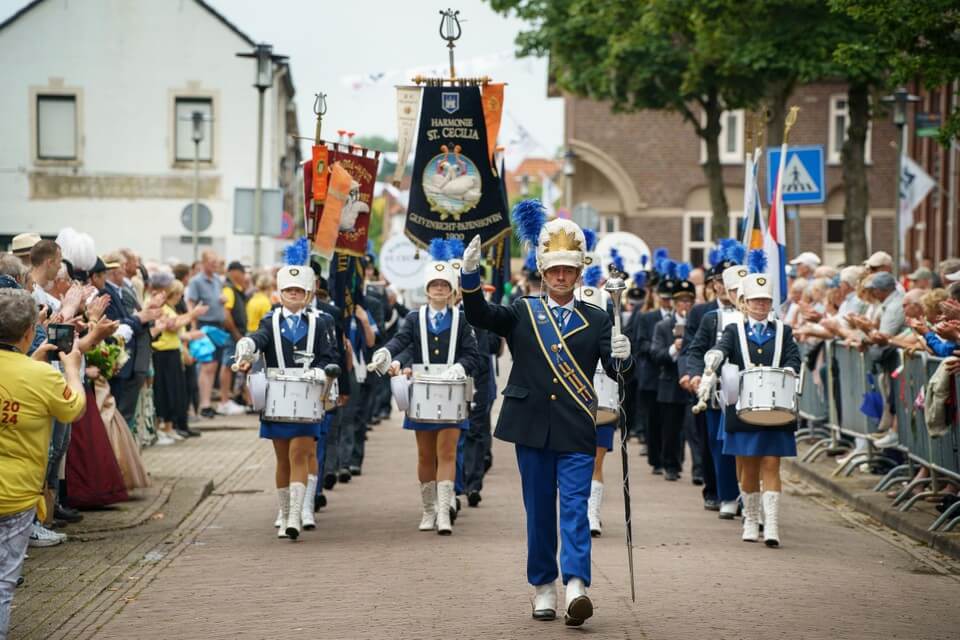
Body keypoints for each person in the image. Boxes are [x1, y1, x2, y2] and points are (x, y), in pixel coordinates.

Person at [456, 211, 632, 626]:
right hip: (531, 425)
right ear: (543, 271)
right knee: (538, 511)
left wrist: (625, 354)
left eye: (569, 269)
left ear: (578, 272)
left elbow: (618, 372)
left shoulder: (598, 317)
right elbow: (481, 315)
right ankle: (543, 587)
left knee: (574, 507)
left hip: (575, 425)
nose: (561, 276)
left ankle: (576, 586)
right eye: (555, 269)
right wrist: (469, 276)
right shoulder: (522, 311)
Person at [369, 245, 481, 535]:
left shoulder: (462, 318)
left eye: (445, 284)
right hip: (423, 390)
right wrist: (386, 355)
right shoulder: (414, 318)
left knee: (447, 452)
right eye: (435, 285)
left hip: (452, 391)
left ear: (452, 288)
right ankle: (429, 509)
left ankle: (444, 512)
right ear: (427, 288)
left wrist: (461, 367)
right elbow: (402, 342)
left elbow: (473, 355)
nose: (440, 289)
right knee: (424, 455)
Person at [0, 289, 86, 637]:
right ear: (27, 332)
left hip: (17, 492)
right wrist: (72, 370)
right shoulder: (42, 377)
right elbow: (73, 407)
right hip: (17, 495)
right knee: (4, 580)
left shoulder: (33, 371)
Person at [234, 264, 338, 541]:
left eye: (299, 290)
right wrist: (247, 347)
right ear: (280, 293)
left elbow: (330, 355)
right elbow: (260, 339)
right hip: (277, 398)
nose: (293, 294)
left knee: (300, 454)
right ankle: (284, 510)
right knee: (282, 458)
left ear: (308, 293)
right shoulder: (270, 320)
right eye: (288, 290)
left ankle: (295, 516)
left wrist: (321, 369)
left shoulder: (322, 321)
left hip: (307, 397)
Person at [702, 273, 801, 547]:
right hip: (743, 406)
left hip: (775, 406)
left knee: (771, 464)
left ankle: (771, 525)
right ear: (744, 302)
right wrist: (714, 357)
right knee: (747, 466)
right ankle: (750, 518)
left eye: (765, 300)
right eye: (755, 300)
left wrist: (790, 370)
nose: (760, 305)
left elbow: (794, 356)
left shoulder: (783, 330)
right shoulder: (734, 330)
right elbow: (722, 349)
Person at [686, 264, 748, 519]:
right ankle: (727, 495)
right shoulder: (711, 317)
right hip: (717, 390)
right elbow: (696, 349)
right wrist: (697, 373)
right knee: (718, 443)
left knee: (748, 445)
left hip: (748, 389)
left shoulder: (762, 318)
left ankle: (748, 495)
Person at [651, 266, 696, 482]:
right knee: (670, 429)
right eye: (681, 301)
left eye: (689, 301)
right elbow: (656, 354)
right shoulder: (663, 325)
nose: (685, 304)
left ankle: (698, 470)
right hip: (670, 382)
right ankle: (670, 465)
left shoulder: (697, 323)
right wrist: (674, 348)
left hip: (693, 383)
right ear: (675, 303)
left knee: (694, 431)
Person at [185, 250, 227, 418]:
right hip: (204, 325)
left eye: (216, 261)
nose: (215, 264)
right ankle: (204, 404)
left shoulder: (217, 279)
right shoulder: (196, 282)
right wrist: (194, 326)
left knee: (214, 365)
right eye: (211, 261)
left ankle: (207, 402)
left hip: (217, 326)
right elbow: (191, 303)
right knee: (206, 365)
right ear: (203, 263)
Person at [220, 261, 249, 414]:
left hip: (237, 333)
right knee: (227, 366)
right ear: (234, 272)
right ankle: (224, 401)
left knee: (231, 365)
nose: (244, 276)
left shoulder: (237, 290)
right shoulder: (229, 290)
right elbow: (226, 314)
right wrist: (236, 333)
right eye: (242, 273)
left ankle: (228, 399)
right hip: (233, 334)